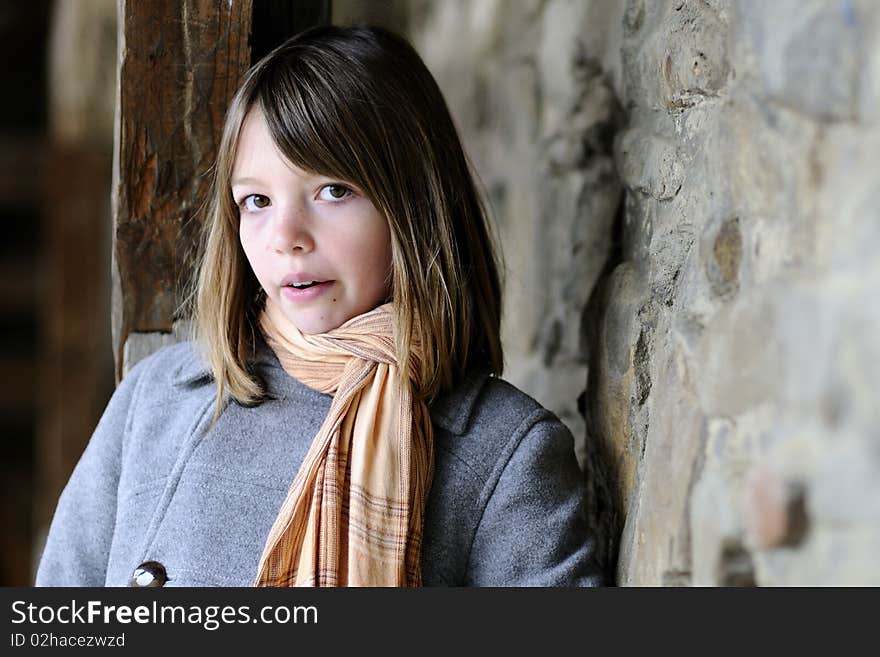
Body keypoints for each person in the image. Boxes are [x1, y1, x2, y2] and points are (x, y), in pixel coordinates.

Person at [35, 25, 606, 587]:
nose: (286, 236)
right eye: (256, 200)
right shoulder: (157, 401)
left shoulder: (505, 451)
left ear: (412, 206)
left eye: (333, 190)